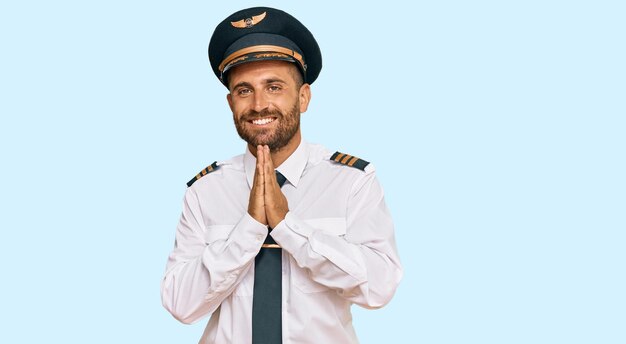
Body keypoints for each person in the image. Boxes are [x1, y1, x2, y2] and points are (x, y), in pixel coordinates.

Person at [161, 6, 402, 344]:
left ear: (303, 97)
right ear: (231, 102)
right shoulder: (205, 190)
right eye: (245, 90)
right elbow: (179, 305)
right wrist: (249, 229)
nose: (259, 104)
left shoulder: (352, 182)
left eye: (274, 87)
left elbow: (379, 288)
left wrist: (288, 227)